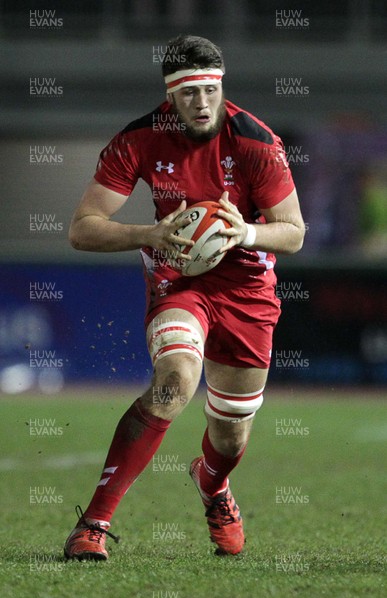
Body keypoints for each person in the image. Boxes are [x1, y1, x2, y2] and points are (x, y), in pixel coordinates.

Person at [64, 34, 305, 560]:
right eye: (189, 92)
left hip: (248, 289)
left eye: (210, 90)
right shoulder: (139, 139)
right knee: (174, 384)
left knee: (231, 435)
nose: (202, 102)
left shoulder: (255, 141)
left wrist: (245, 233)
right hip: (180, 283)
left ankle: (213, 486)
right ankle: (94, 523)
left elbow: (293, 232)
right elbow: (83, 229)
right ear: (170, 95)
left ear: (222, 87)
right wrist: (145, 235)